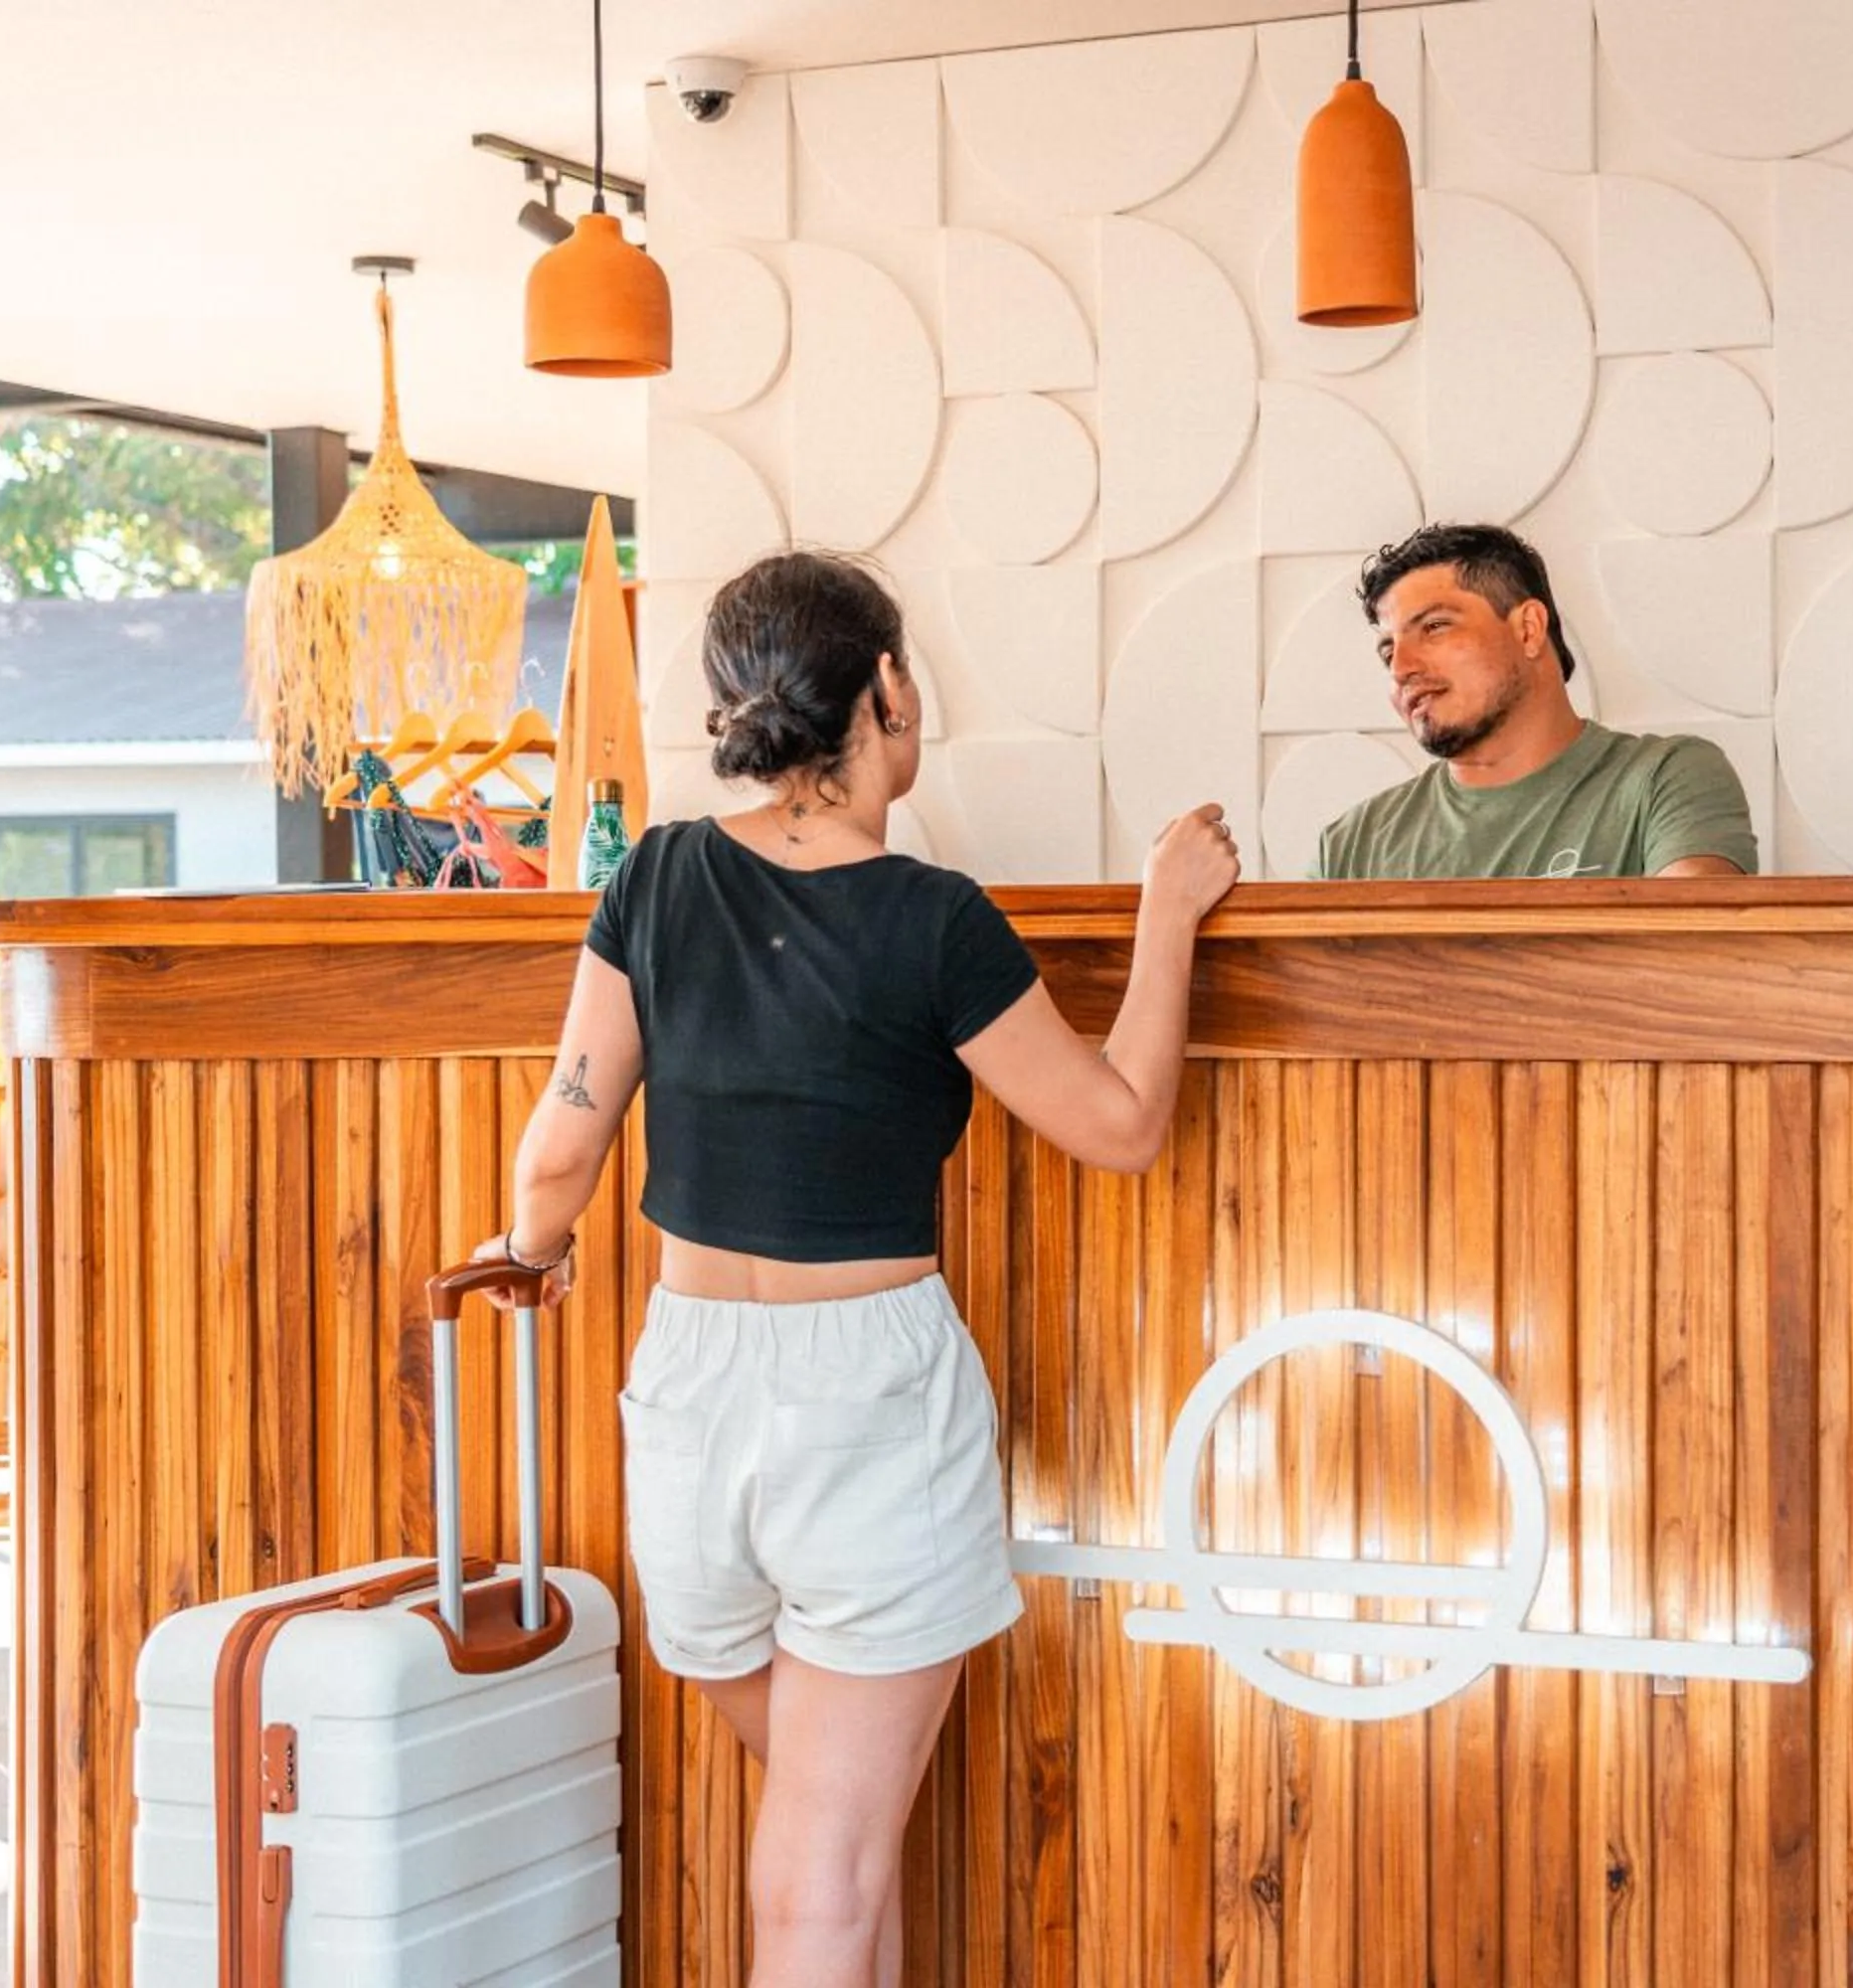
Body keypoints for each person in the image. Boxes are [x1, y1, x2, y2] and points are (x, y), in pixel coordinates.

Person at [476, 550, 1239, 1988]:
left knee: (837, 1845)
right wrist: (1166, 913)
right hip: (868, 1398)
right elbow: (1123, 1126)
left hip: (687, 1391)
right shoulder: (931, 918)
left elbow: (561, 1150)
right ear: (888, 687)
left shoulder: (654, 874)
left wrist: (526, 1258)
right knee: (822, 1877)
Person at [1312, 522, 1759, 881]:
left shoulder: (1663, 780)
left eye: (1435, 627)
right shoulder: (1349, 848)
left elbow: (1693, 949)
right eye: (1387, 651)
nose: (1401, 668)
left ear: (1528, 629)